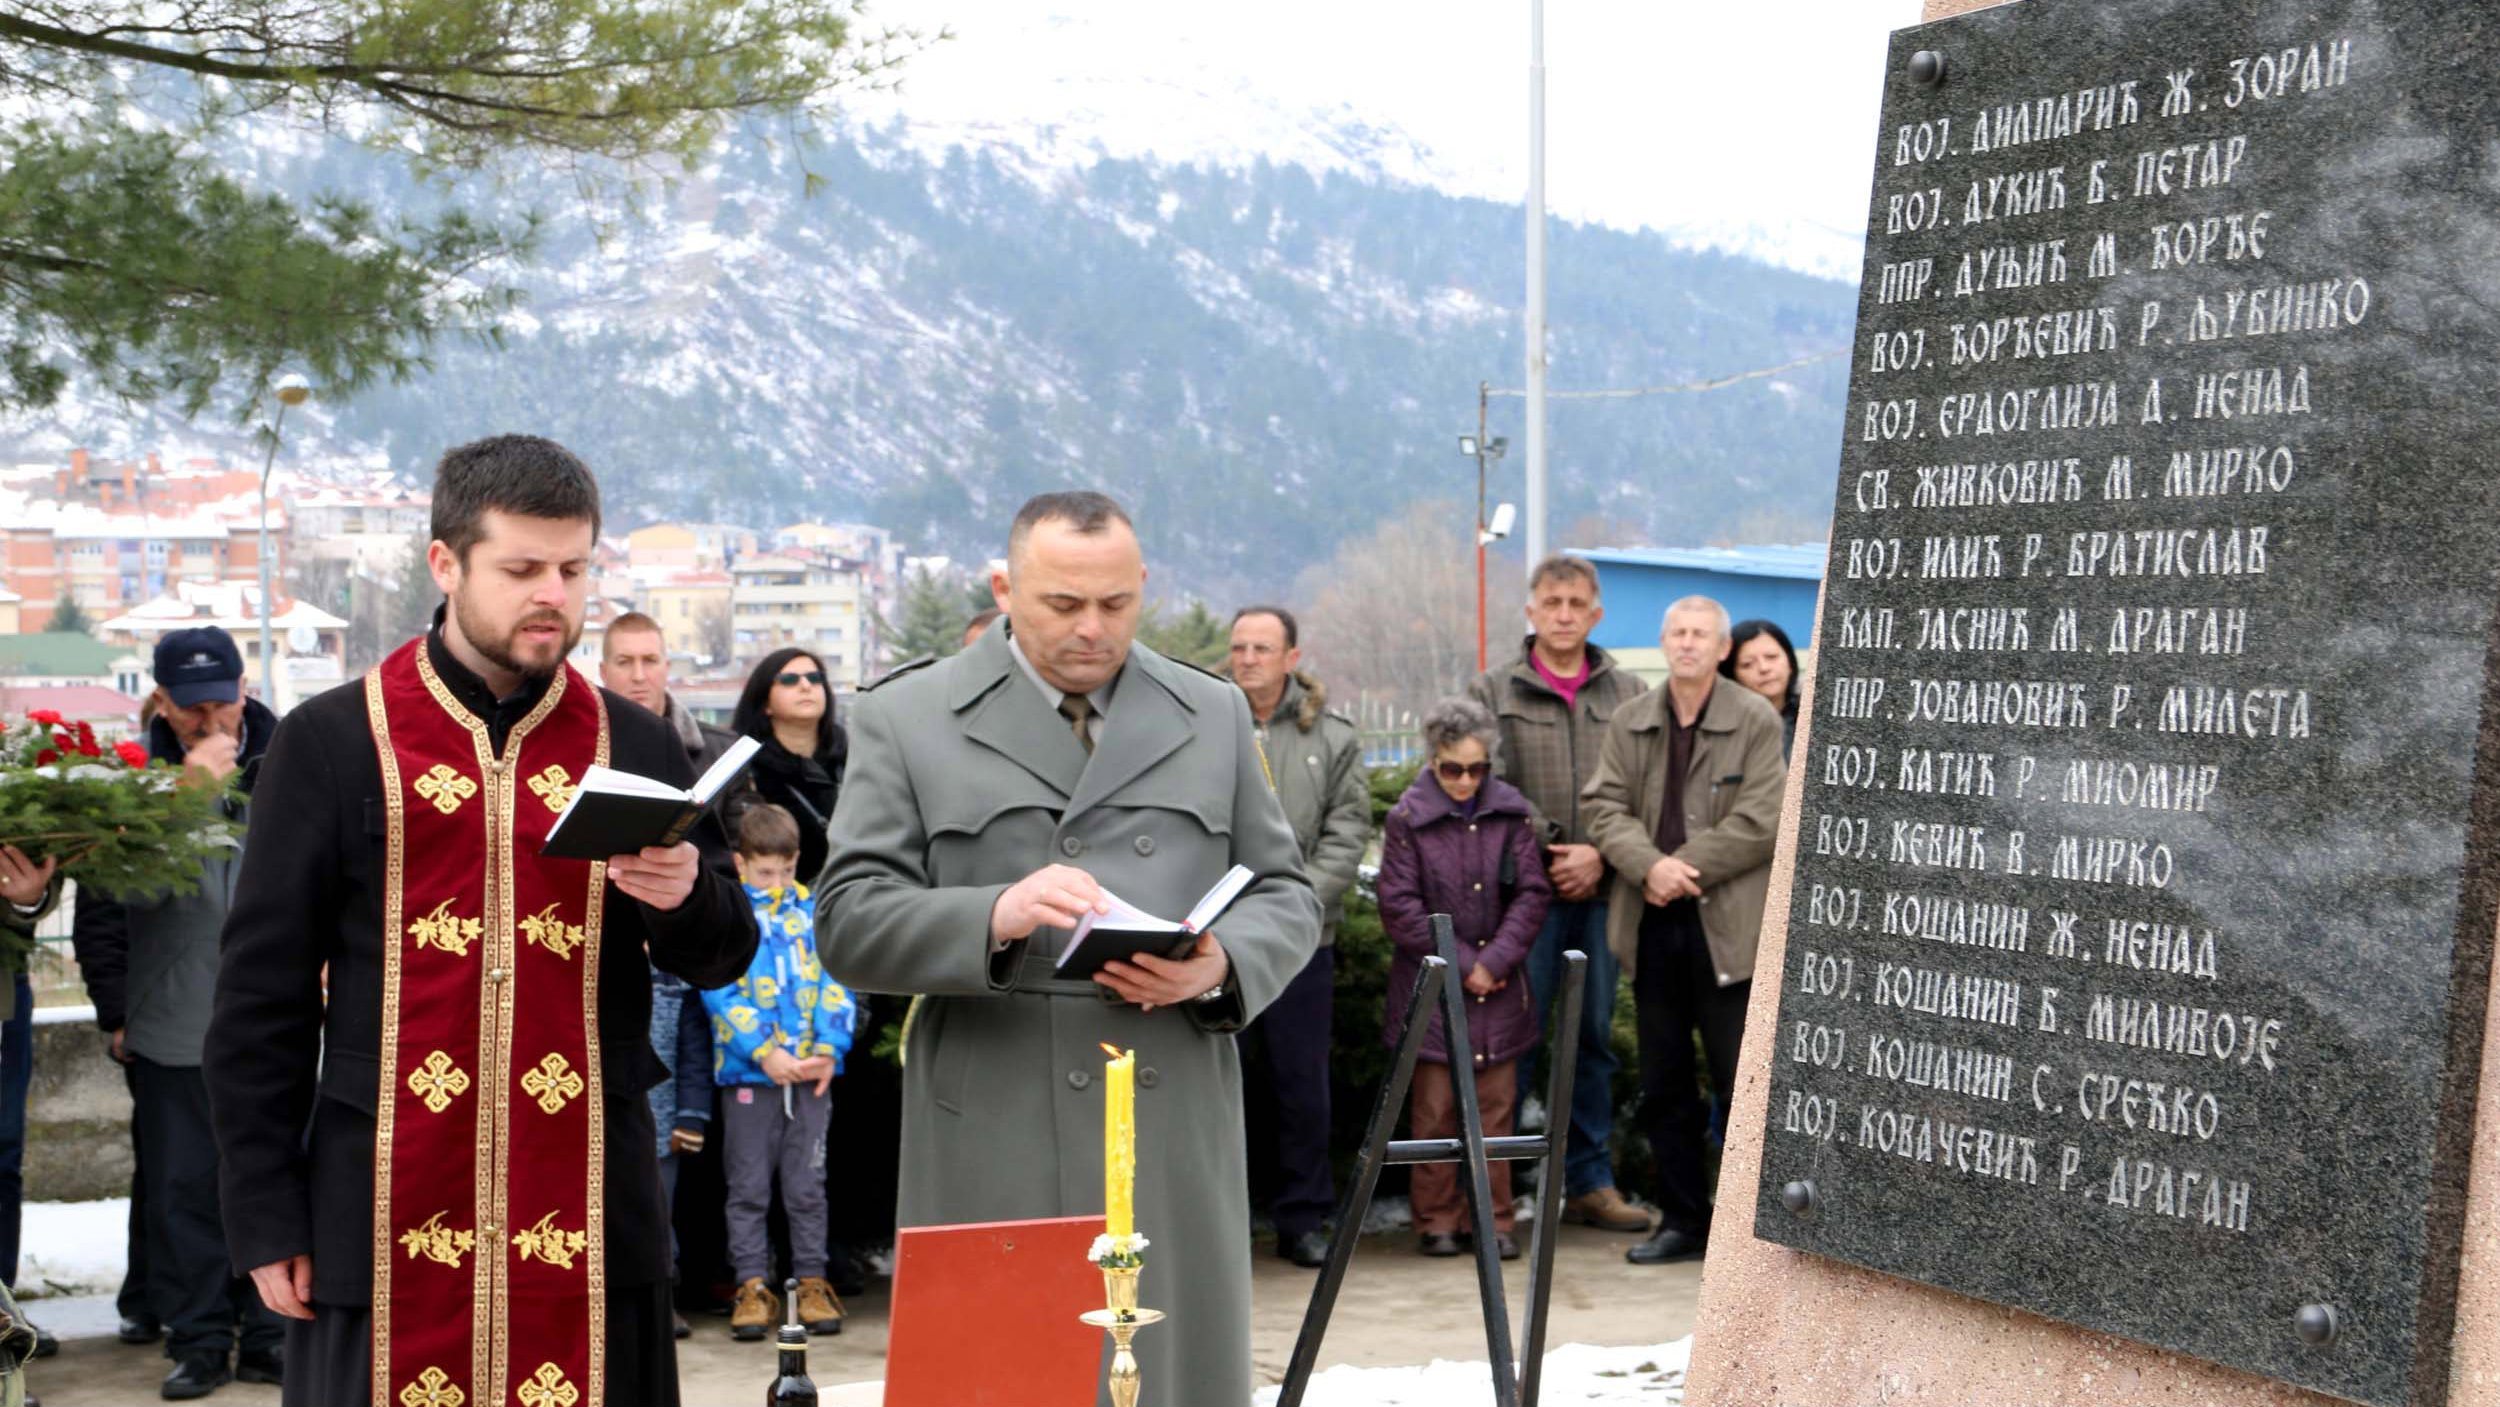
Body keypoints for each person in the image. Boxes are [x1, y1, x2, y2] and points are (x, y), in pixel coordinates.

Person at [204, 435, 758, 1407]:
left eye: (574, 569)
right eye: (521, 569)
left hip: (588, 1198)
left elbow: (722, 952)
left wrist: (684, 894)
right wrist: (263, 1212)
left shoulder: (631, 739)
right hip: (379, 1199)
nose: (553, 593)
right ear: (445, 563)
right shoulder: (332, 741)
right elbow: (260, 999)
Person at [817, 490, 1320, 1406]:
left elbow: (1285, 891)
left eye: (1117, 604)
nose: (1092, 628)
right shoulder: (909, 714)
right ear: (1005, 588)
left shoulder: (1208, 711)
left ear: (1143, 588)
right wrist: (994, 912)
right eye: (1062, 604)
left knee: (1169, 1377)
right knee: (999, 1374)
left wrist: (1223, 964)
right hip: (994, 1110)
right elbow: (848, 918)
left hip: (1168, 1106)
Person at [70, 628, 286, 1399]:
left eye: (221, 701)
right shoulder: (129, 780)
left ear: (245, 686)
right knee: (186, 1190)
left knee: (273, 1180)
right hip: (172, 1021)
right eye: (190, 708)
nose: (209, 721)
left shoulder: (289, 758)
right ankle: (197, 1340)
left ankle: (268, 1335)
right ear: (161, 699)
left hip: (277, 1021)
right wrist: (180, 803)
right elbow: (111, 898)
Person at [1581, 596, 1785, 1266]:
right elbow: (1603, 804)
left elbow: (1765, 817)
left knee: (1742, 1082)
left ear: (1722, 647)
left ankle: (1753, 1234)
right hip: (1651, 923)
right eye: (1678, 631)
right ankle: (1683, 1219)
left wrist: (1682, 866)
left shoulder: (1753, 717)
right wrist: (1648, 867)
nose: (1689, 643)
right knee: (1665, 1082)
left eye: (1702, 633)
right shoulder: (1631, 717)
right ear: (1662, 640)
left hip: (1727, 925)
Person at [1464, 554, 1653, 1235]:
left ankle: (1590, 1182)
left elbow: (1645, 785)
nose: (1565, 614)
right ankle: (1499, 1193)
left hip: (1605, 892)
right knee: (1515, 1039)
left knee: (1593, 1038)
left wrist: (1602, 852)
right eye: (1553, 602)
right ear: (1532, 610)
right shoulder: (1492, 691)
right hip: (1524, 901)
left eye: (1577, 603)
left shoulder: (1630, 692)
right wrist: (1553, 849)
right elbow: (1491, 785)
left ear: (1596, 613)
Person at [1374, 698, 1551, 1260]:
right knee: (1433, 1113)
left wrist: (1493, 962)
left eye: (1477, 769)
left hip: (1499, 990)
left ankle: (1495, 1220)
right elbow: (1397, 905)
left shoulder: (1511, 812)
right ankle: (1435, 1220)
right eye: (1453, 769)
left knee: (1498, 1112)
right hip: (1431, 987)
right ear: (1432, 762)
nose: (1465, 780)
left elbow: (1531, 892)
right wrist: (1455, 961)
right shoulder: (1407, 818)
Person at [599, 610, 731, 1339]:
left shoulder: (697, 749)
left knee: (693, 1133)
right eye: (627, 661)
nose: (641, 674)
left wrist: (683, 901)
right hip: (608, 977)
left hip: (688, 973)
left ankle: (679, 1278)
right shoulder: (588, 743)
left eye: (652, 659)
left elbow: (721, 882)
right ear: (604, 667)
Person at [1225, 605, 1368, 1269]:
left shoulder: (1331, 737)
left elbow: (1347, 829)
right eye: (1239, 647)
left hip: (1303, 940)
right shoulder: (1202, 724)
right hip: (1215, 941)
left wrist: (1295, 905)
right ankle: (1222, 1220)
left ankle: (1303, 1218)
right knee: (1224, 1085)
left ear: (1291, 657)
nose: (1248, 658)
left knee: (1300, 1086)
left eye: (1262, 647)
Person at [703, 804, 855, 1342]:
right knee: (747, 1187)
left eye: (786, 870)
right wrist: (763, 1051)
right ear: (741, 864)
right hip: (750, 1076)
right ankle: (751, 1285)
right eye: (765, 871)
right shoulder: (726, 913)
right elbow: (717, 988)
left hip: (811, 1075)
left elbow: (838, 976)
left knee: (807, 1185)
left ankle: (811, 1281)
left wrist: (830, 1049)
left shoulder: (813, 912)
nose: (777, 881)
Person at [0, 845, 61, 1381]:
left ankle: (3, 1326)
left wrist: (29, 899)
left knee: (3, 1159)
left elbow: (36, 890)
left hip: (3, 994)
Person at [732, 649, 844, 889]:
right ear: (765, 704)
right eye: (790, 680)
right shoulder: (744, 770)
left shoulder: (853, 757)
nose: (806, 686)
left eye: (815, 678)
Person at [1721, 619, 1801, 760]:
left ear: (1790, 662)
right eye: (1747, 664)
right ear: (1732, 675)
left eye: (1771, 657)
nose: (1764, 668)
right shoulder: (1721, 726)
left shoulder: (1814, 715)